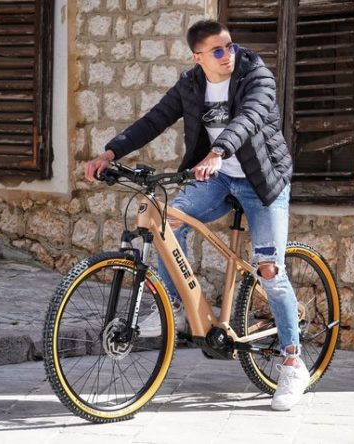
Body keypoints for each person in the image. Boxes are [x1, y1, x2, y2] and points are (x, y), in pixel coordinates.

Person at [84, 19, 307, 411]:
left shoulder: (256, 75)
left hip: (262, 181)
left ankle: (292, 361)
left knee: (270, 269)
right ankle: (175, 308)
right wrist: (111, 152)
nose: (227, 55)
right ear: (197, 56)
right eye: (217, 50)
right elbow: (155, 119)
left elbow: (249, 117)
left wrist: (218, 151)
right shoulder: (190, 84)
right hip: (217, 180)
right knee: (167, 221)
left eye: (229, 46)